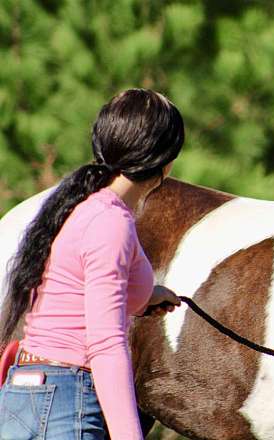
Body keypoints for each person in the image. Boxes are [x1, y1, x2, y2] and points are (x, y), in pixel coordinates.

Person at [0, 88, 184, 439]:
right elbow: (105, 342)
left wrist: (148, 297)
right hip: (65, 403)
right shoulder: (110, 223)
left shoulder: (79, 205)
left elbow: (78, 290)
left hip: (22, 397)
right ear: (165, 160)